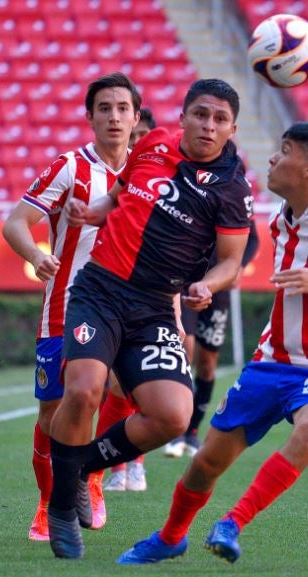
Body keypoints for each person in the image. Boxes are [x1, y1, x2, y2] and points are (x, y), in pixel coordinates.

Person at [117, 121, 308, 566]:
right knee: (206, 463)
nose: (273, 159)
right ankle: (170, 537)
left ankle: (232, 523)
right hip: (271, 362)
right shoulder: (283, 219)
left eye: (284, 151)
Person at [47, 78, 253, 559]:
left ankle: (79, 469)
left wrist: (209, 284)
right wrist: (88, 212)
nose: (208, 125)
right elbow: (116, 199)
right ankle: (60, 508)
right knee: (82, 391)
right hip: (99, 291)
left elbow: (230, 261)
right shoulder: (153, 145)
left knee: (172, 416)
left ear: (232, 129)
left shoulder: (232, 189)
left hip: (156, 306)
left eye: (220, 119)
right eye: (200, 114)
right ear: (181, 118)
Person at [2, 72, 142, 541]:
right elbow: (16, 222)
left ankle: (93, 479)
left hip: (127, 311)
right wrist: (37, 254)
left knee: (122, 390)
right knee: (53, 415)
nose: (114, 117)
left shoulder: (147, 176)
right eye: (105, 108)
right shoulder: (70, 167)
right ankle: (48, 505)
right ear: (90, 117)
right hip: (65, 308)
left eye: (123, 108)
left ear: (136, 117)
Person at [165, 218, 259, 458]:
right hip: (185, 284)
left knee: (207, 365)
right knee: (184, 350)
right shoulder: (188, 184)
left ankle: (192, 432)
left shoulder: (236, 189)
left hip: (218, 290)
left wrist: (237, 266)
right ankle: (177, 428)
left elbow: (253, 238)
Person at [101, 106, 158, 493]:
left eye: (144, 139)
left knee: (144, 383)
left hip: (158, 292)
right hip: (109, 289)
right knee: (115, 384)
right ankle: (116, 464)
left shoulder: (164, 181)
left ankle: (132, 463)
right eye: (135, 138)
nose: (137, 145)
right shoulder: (114, 183)